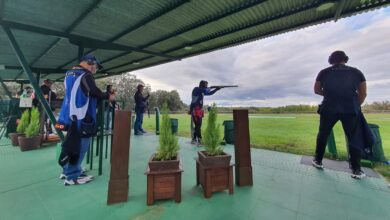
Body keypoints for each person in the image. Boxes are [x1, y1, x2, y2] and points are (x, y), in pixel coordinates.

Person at [57, 54, 114, 186]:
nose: (96, 69)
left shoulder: (69, 73)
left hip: (68, 115)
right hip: (82, 116)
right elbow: (94, 92)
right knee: (80, 146)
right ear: (89, 62)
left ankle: (67, 171)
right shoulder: (86, 75)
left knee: (70, 144)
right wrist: (108, 96)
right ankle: (72, 176)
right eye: (96, 66)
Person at [312, 50, 367, 179]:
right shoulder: (356, 72)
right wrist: (355, 104)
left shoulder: (324, 72)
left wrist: (330, 94)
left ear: (331, 60)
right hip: (350, 109)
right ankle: (356, 169)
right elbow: (363, 93)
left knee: (323, 134)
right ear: (345, 59)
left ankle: (318, 161)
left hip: (329, 108)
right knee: (353, 138)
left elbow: (316, 90)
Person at [190, 80, 220, 145]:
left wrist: (216, 89)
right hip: (195, 111)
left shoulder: (201, 91)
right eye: (206, 85)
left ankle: (194, 139)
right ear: (202, 85)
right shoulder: (197, 89)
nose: (206, 86)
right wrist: (211, 87)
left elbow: (210, 93)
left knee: (198, 125)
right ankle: (199, 139)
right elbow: (207, 90)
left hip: (199, 110)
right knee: (198, 126)